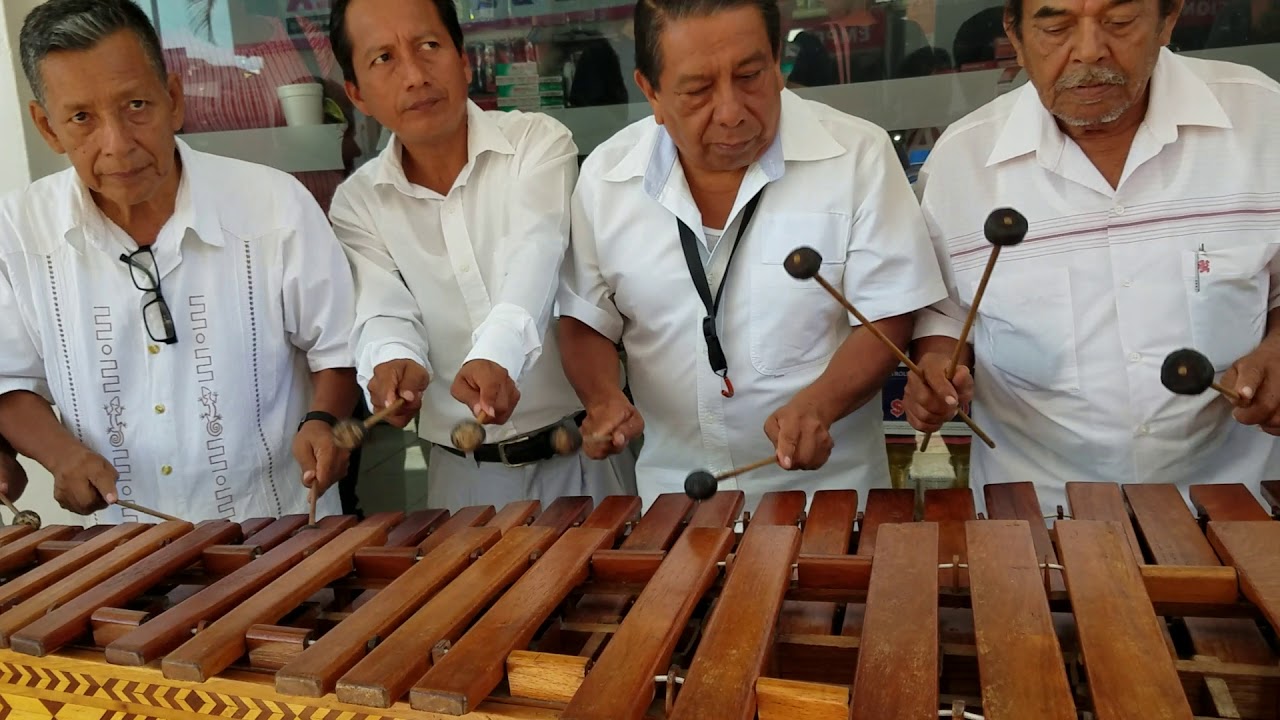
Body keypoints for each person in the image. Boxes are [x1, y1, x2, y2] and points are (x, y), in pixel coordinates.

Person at [558, 0, 947, 509]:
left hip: (832, 497)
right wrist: (603, 398)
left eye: (750, 76)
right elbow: (586, 319)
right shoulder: (606, 180)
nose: (731, 112)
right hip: (675, 500)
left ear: (776, 60)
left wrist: (821, 404)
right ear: (650, 91)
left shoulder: (857, 156)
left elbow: (887, 315)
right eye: (697, 90)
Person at [903, 0, 1280, 511]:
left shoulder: (1263, 119)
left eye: (1119, 23)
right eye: (1056, 27)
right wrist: (937, 368)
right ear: (1015, 35)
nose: (1088, 51)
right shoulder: (962, 162)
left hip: (1239, 500)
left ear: (1167, 20)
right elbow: (947, 315)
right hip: (1040, 515)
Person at [0, 0, 359, 523]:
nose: (118, 144)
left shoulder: (275, 205)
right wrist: (60, 456)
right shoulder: (15, 232)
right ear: (47, 127)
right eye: (81, 118)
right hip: (121, 546)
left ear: (172, 99)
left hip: (279, 530)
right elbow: (7, 378)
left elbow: (339, 346)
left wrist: (322, 420)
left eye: (136, 106)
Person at [326, 0, 636, 511]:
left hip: (582, 461)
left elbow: (536, 254)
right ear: (357, 93)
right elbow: (382, 310)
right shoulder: (358, 203)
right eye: (384, 58)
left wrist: (498, 355)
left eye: (429, 46)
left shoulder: (537, 143)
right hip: (461, 479)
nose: (415, 75)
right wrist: (391, 361)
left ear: (464, 61)